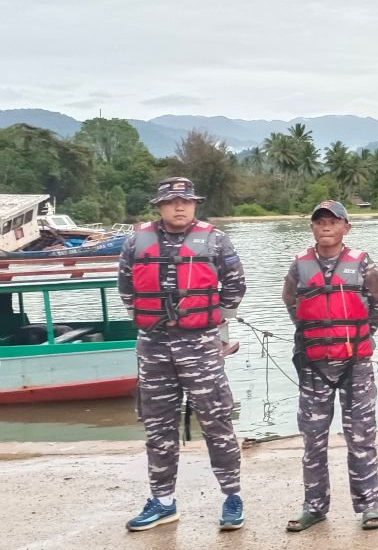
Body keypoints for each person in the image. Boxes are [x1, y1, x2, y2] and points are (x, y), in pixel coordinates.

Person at [118, 177, 247, 531]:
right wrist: (152, 320)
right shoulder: (136, 241)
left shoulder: (216, 240)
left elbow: (235, 285)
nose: (180, 207)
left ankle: (232, 498)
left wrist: (212, 321)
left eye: (186, 201)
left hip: (201, 346)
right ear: (158, 206)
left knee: (217, 421)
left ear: (194, 205)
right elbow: (126, 288)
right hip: (153, 346)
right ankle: (162, 502)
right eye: (172, 201)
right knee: (158, 427)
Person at [282, 200, 378, 531]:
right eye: (320, 221)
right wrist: (316, 338)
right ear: (312, 227)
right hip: (314, 367)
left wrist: (357, 337)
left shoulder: (362, 263)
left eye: (333, 220)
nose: (326, 226)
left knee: (361, 436)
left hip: (355, 365)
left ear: (346, 227)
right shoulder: (299, 265)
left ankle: (369, 506)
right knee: (313, 438)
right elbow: (291, 302)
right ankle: (314, 506)